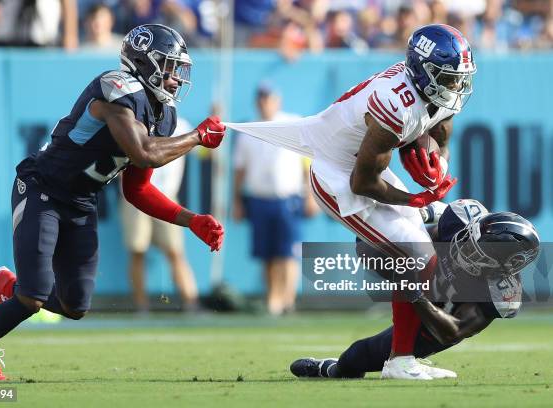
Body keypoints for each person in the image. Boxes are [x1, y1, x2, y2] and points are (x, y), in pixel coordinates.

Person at [0, 24, 226, 381]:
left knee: (75, 305)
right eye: (168, 66)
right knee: (35, 295)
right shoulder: (115, 89)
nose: (176, 78)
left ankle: (8, 287)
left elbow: (137, 189)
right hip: (43, 190)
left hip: (81, 202)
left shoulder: (163, 116)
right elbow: (144, 153)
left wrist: (191, 220)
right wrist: (196, 137)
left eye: (178, 69)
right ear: (144, 62)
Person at [225, 24, 477, 379]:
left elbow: (441, 124)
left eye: (458, 78)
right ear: (424, 71)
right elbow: (363, 183)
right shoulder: (396, 106)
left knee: (419, 249)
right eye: (447, 78)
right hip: (337, 176)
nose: (455, 87)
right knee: (418, 256)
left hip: (358, 163)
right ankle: (400, 360)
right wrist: (415, 196)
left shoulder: (431, 91)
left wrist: (438, 161)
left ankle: (400, 352)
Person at [289, 199, 540, 379]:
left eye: (478, 253)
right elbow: (405, 221)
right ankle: (370, 363)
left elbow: (452, 331)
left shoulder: (502, 293)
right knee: (388, 243)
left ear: (503, 267)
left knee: (357, 356)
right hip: (414, 271)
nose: (464, 250)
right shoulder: (461, 216)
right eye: (468, 240)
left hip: (436, 321)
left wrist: (414, 293)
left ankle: (331, 369)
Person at [232, 83, 318, 315]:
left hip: (287, 199)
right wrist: (237, 200)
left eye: (268, 98)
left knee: (287, 252)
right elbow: (239, 170)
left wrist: (310, 195)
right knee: (267, 254)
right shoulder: (249, 131)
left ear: (276, 100)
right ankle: (273, 298)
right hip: (260, 199)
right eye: (261, 99)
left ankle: (286, 299)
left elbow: (306, 163)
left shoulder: (291, 123)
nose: (264, 103)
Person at [120, 116, 199, 312]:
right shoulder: (136, 120)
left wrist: (216, 124)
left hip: (167, 196)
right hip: (136, 195)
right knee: (137, 251)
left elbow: (207, 153)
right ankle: (141, 306)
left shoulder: (182, 124)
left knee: (175, 251)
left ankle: (191, 303)